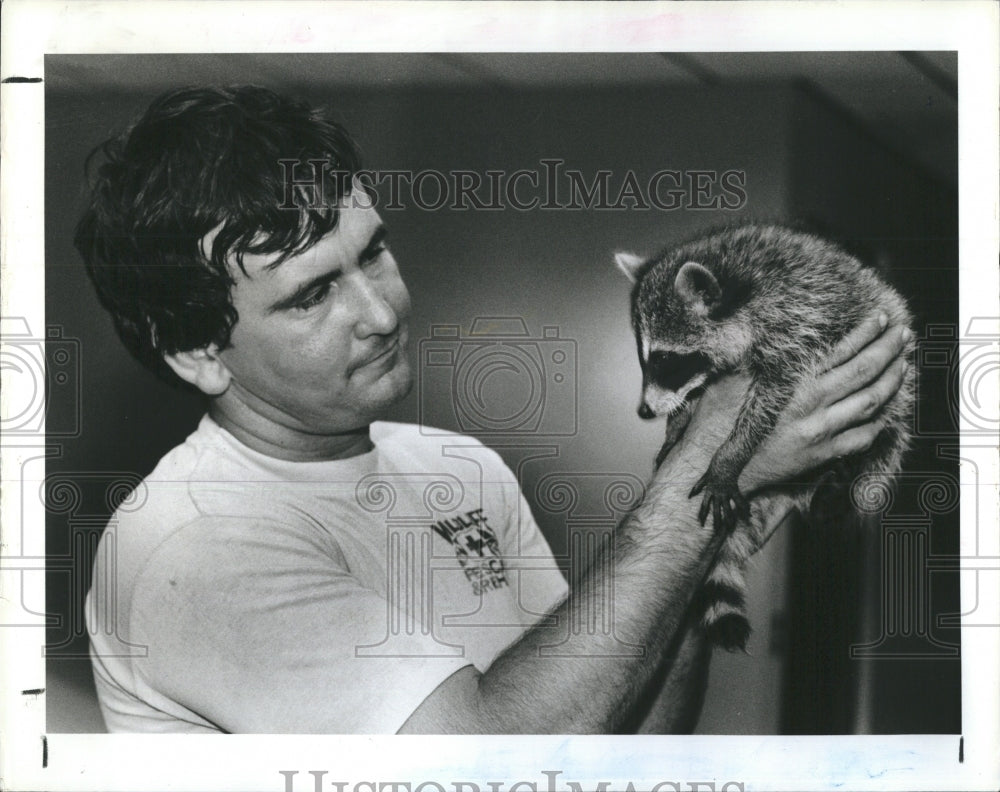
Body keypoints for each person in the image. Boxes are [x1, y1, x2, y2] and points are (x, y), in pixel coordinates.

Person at [78, 85, 910, 734]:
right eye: (313, 295)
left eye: (373, 252)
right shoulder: (195, 545)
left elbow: (610, 729)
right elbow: (485, 760)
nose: (381, 310)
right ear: (195, 350)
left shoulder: (457, 466)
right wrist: (697, 465)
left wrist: (713, 534)